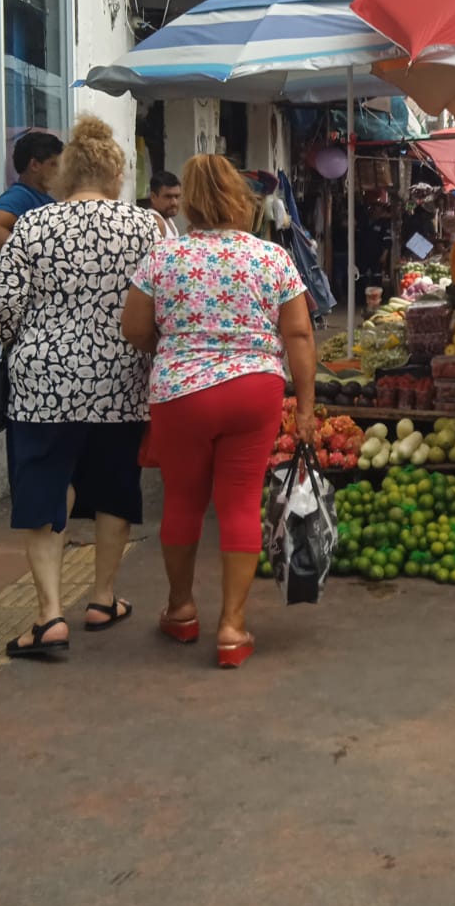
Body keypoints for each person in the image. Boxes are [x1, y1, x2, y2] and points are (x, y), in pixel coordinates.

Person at [122, 154, 317, 668]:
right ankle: (232, 627)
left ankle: (181, 610)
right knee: (237, 504)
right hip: (254, 391)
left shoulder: (163, 258)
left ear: (188, 203)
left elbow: (134, 330)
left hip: (180, 394)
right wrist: (306, 408)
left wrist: (180, 345)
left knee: (183, 503)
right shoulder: (271, 258)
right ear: (240, 201)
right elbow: (298, 333)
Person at [0, 116, 159, 657]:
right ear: (115, 174)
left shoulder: (33, 226)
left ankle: (48, 618)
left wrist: (33, 341)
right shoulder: (149, 227)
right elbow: (163, 303)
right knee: (112, 488)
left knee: (43, 489)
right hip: (121, 380)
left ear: (64, 174)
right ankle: (103, 599)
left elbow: (4, 307)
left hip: (43, 384)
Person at [0, 130, 64, 253]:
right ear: (34, 164)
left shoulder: (45, 199)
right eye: (53, 164)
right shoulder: (19, 196)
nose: (59, 171)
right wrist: (32, 257)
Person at [145, 169, 181, 237]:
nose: (174, 203)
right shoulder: (155, 222)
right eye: (168, 196)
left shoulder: (167, 219)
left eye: (177, 196)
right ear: (153, 197)